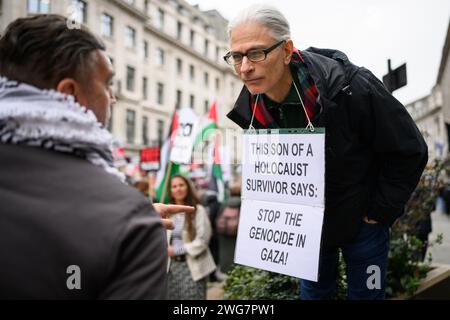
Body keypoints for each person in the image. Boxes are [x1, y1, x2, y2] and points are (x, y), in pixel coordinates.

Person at [225, 5, 428, 300]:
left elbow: (410, 149)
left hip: (363, 224)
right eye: (236, 56)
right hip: (307, 231)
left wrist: (377, 211)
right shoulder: (252, 107)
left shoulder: (352, 86)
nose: (244, 67)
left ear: (286, 50)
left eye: (256, 53)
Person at [0, 14, 192, 299]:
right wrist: (128, 227)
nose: (113, 97)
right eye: (107, 84)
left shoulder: (126, 219)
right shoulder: (131, 224)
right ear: (70, 94)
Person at [166, 174, 216, 300]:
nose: (178, 189)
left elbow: (202, 241)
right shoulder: (167, 213)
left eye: (181, 185)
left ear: (187, 187)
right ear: (170, 191)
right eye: (174, 186)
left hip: (193, 267)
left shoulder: (198, 210)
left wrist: (177, 250)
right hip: (172, 268)